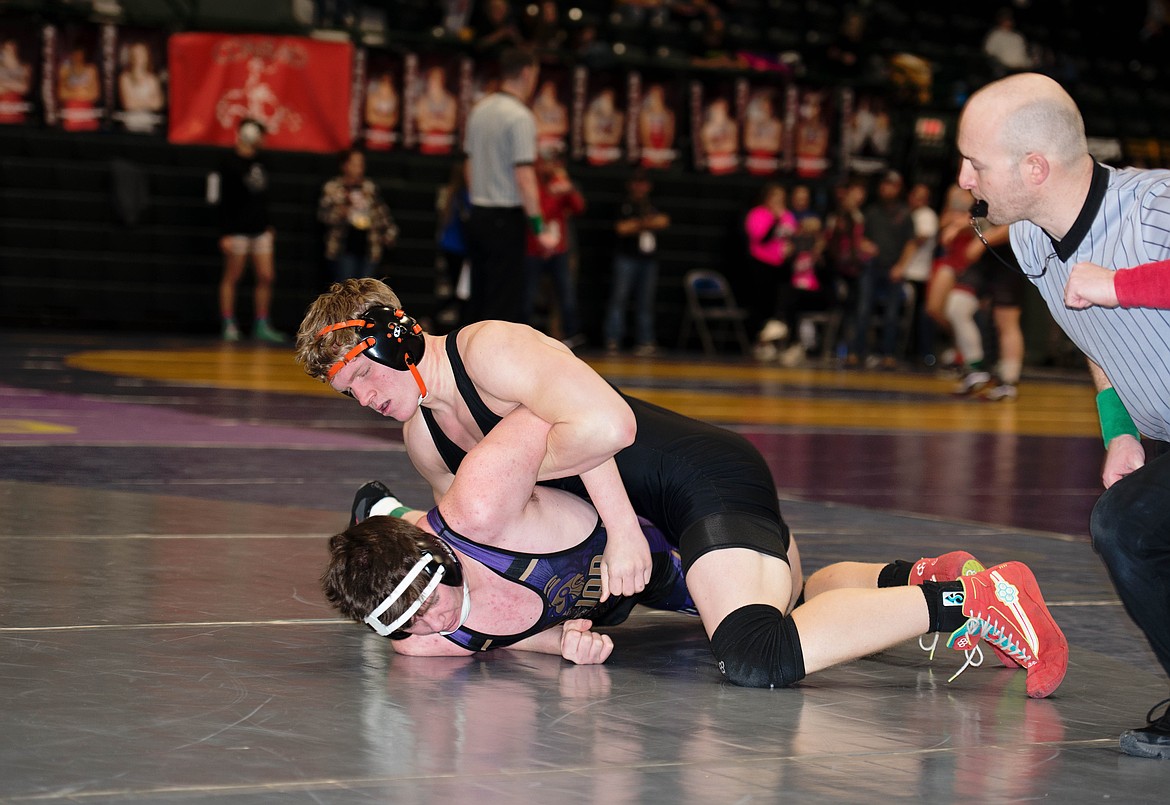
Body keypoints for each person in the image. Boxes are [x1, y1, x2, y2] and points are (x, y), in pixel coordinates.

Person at [296, 277, 1068, 696]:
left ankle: (974, 599)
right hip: (642, 519)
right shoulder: (423, 436)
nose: (363, 396)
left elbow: (604, 426)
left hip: (686, 478)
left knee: (752, 650)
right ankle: (918, 577)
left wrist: (625, 532)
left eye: (364, 373)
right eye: (347, 392)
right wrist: (544, 626)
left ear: (395, 334)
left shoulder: (490, 349)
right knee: (793, 606)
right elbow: (483, 537)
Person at [957, 70, 1170, 757]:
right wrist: (1119, 431)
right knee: (1128, 529)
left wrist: (1119, 284)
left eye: (975, 163)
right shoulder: (1028, 240)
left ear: (1035, 167)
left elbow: (1108, 298)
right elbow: (1097, 340)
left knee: (1126, 525)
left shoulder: (1152, 206)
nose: (964, 179)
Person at [462, 48, 554, 323]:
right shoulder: (520, 117)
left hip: (478, 212)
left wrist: (479, 195)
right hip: (505, 216)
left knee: (478, 295)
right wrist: (539, 227)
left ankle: (464, 363)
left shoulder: (479, 111)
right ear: (527, 73)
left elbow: (468, 165)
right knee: (502, 303)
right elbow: (524, 176)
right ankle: (489, 364)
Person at [210, 118, 284, 342]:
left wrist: (268, 224)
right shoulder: (228, 163)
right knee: (233, 276)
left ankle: (261, 322)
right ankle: (228, 322)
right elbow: (219, 200)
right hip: (236, 231)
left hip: (259, 229)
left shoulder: (262, 162)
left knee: (266, 275)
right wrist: (224, 233)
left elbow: (263, 198)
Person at [850, 171, 916, 368]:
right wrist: (864, 244)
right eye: (885, 184)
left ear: (898, 188)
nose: (887, 189)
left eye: (892, 185)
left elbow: (911, 243)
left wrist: (901, 266)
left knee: (892, 314)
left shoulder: (905, 213)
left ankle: (888, 354)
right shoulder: (872, 211)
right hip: (871, 267)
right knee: (863, 309)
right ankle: (856, 351)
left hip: (893, 268)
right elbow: (859, 237)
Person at [522, 154, 586, 347]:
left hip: (558, 249)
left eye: (551, 163)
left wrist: (568, 188)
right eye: (543, 163)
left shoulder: (561, 184)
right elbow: (535, 211)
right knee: (528, 294)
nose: (547, 167)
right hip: (534, 248)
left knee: (565, 292)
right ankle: (522, 333)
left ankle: (571, 333)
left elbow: (578, 207)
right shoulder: (531, 185)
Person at [603, 170, 669, 356]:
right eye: (637, 183)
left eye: (643, 183)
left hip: (648, 259)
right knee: (619, 298)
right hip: (627, 258)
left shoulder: (652, 203)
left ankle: (645, 340)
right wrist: (644, 223)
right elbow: (622, 228)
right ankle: (613, 338)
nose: (640, 187)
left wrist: (640, 224)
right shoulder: (624, 204)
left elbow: (664, 221)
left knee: (645, 302)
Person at [317, 149, 398, 286]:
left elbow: (382, 214)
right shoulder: (333, 188)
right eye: (354, 163)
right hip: (343, 247)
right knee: (346, 289)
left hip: (369, 247)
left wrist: (389, 235)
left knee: (366, 290)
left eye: (361, 164)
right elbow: (323, 215)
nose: (359, 168)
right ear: (344, 165)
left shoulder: (369, 188)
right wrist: (341, 213)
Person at [742, 183, 797, 361]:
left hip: (781, 266)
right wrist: (775, 220)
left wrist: (791, 248)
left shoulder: (787, 215)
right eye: (775, 197)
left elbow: (792, 237)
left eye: (781, 197)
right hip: (760, 265)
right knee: (760, 305)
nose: (778, 201)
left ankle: (777, 343)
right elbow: (760, 238)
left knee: (780, 305)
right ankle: (759, 342)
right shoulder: (758, 214)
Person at [117, 42, 163, 134]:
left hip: (149, 123)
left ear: (147, 56)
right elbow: (129, 104)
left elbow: (158, 103)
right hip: (130, 124)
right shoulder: (124, 78)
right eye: (136, 54)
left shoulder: (152, 79)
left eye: (142, 53)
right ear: (131, 56)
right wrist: (148, 102)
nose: (139, 57)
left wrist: (137, 102)